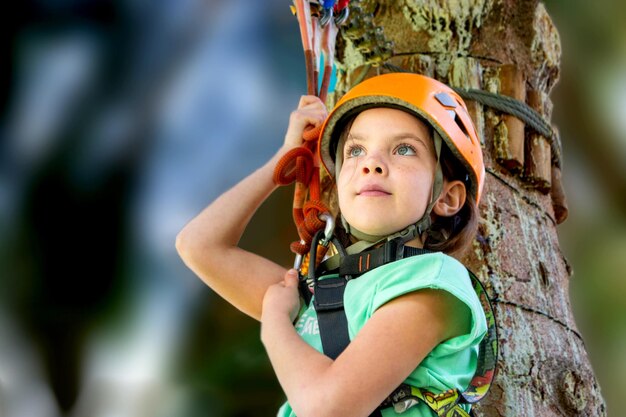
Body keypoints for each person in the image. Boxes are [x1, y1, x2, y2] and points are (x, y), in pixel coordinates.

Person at [176, 73, 488, 417]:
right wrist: (283, 159)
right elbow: (198, 245)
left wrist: (276, 323)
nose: (371, 163)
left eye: (404, 149)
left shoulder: (435, 282)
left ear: (447, 196)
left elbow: (327, 409)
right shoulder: (317, 290)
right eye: (356, 150)